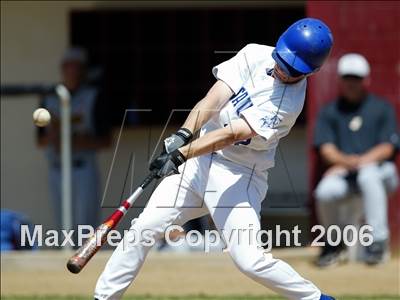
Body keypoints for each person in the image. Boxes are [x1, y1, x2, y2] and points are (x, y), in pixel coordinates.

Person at [94, 18, 335, 300]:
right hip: (198, 165)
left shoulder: (288, 105)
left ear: (310, 72)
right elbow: (214, 98)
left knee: (250, 261)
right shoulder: (255, 53)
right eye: (283, 60)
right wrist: (183, 134)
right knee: (144, 229)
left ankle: (316, 298)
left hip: (239, 175)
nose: (285, 70)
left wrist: (182, 153)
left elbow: (231, 134)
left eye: (294, 69)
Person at [314, 53, 399, 267]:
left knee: (368, 176)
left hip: (382, 174)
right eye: (348, 78)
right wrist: (344, 163)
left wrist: (355, 163)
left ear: (366, 80)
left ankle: (378, 242)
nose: (352, 83)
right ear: (340, 80)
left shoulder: (381, 107)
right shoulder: (330, 111)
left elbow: (387, 148)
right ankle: (334, 244)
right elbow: (326, 149)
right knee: (324, 190)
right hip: (348, 174)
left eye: (357, 78)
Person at [37, 48, 112, 234]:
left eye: (76, 67)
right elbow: (39, 140)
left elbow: (106, 140)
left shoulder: (93, 96)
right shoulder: (50, 96)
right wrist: (54, 137)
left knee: (84, 225)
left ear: (83, 70)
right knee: (62, 227)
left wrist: (75, 141)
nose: (72, 72)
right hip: (57, 168)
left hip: (82, 167)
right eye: (68, 67)